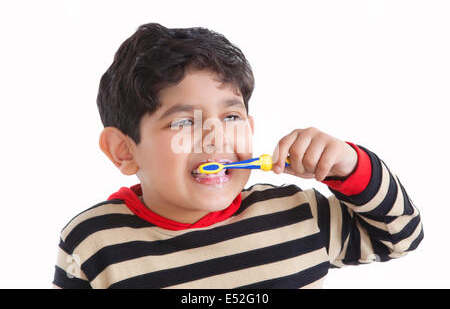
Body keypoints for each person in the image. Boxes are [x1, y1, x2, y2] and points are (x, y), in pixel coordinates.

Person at [52, 23, 423, 289]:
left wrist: (351, 166)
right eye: (184, 122)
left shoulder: (298, 213)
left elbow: (400, 237)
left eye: (231, 117)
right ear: (124, 150)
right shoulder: (94, 242)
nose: (217, 138)